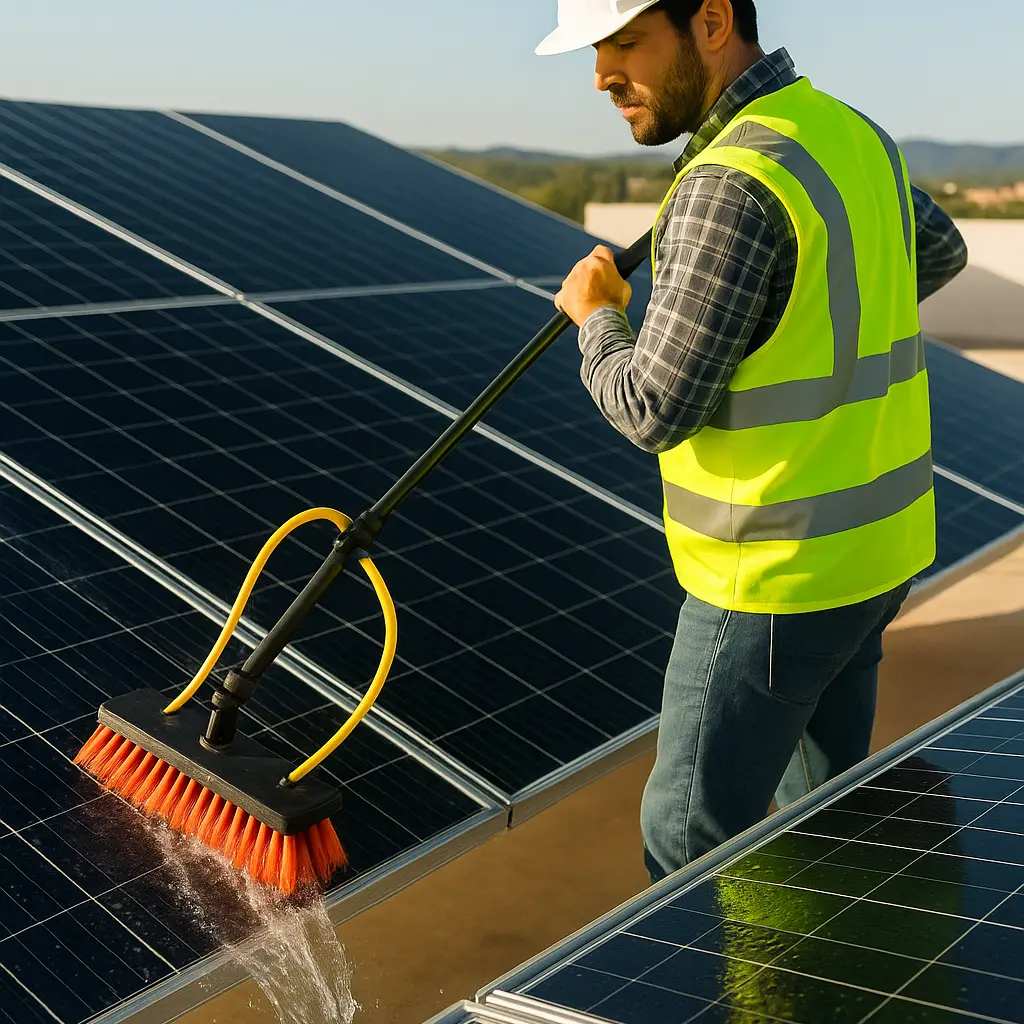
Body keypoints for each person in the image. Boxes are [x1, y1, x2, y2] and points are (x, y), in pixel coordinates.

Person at [536, 0, 969, 883]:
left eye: (625, 42)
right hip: (876, 556)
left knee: (687, 844)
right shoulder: (849, 135)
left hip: (770, 578)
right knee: (827, 813)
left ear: (712, 19)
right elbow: (941, 252)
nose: (601, 75)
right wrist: (807, 320)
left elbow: (651, 408)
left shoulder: (728, 183)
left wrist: (597, 319)